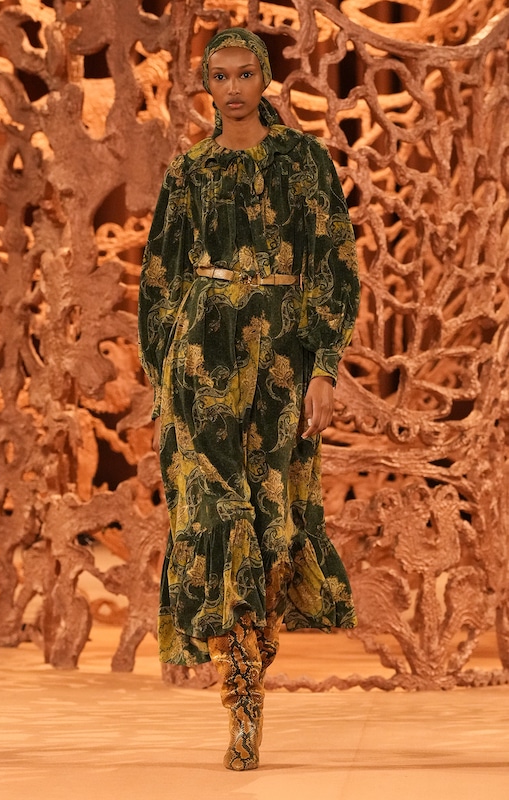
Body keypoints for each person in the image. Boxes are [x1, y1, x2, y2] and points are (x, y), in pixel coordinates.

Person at [138, 27, 360, 771]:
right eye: (220, 76)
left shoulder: (303, 162)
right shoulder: (189, 170)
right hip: (199, 360)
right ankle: (240, 705)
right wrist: (161, 380)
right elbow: (160, 281)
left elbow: (334, 265)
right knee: (213, 514)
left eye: (244, 74)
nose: (232, 88)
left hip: (281, 361)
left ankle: (250, 678)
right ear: (205, 85)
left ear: (265, 79)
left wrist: (323, 367)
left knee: (271, 519)